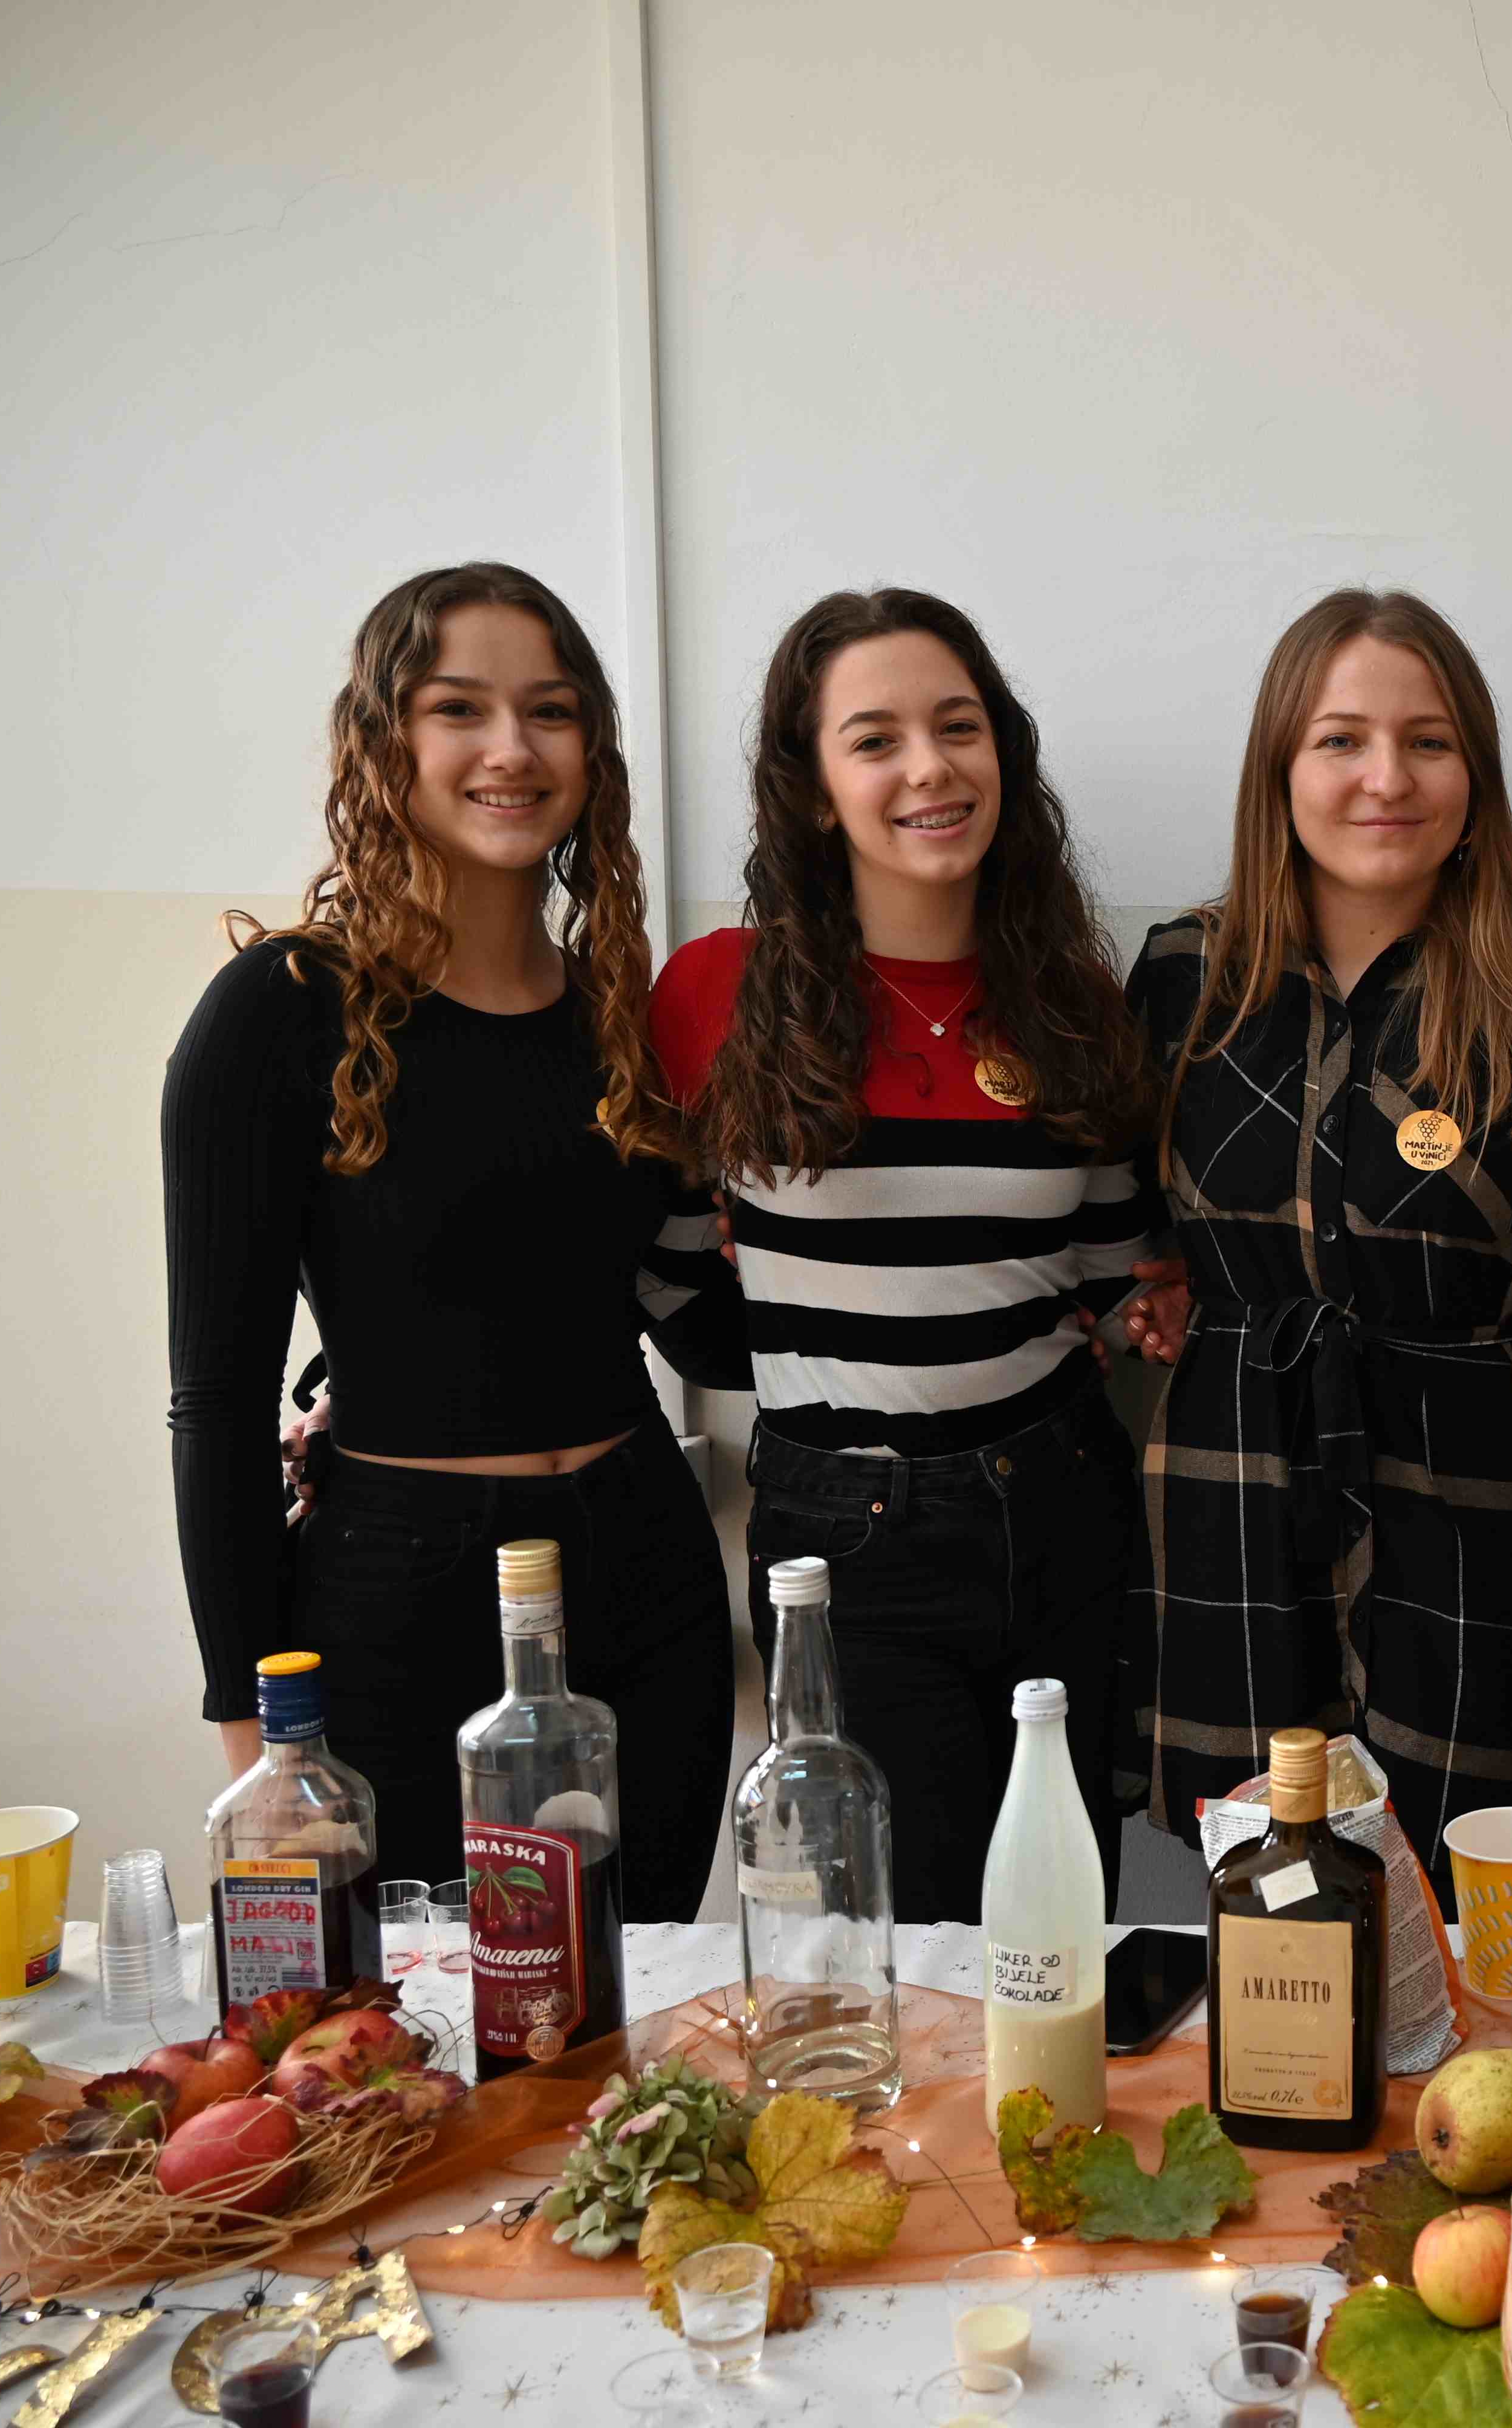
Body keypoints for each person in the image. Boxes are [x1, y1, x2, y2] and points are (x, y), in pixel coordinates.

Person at [163, 562, 746, 1919]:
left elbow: (703, 1328)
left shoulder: (625, 1022)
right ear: (387, 743)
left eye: (550, 710)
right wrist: (257, 1753)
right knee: (432, 2025)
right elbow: (218, 1402)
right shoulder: (278, 1014)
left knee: (629, 2004)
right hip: (395, 1599)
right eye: (459, 708)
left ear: (592, 750)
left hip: (644, 1578)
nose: (510, 748)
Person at [1117, 589, 1512, 1858]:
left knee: (1482, 1895)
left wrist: (1464, 1385)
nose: (1387, 779)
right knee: (1259, 1893)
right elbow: (1134, 1217)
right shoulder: (1185, 980)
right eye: (1341, 741)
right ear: (1278, 769)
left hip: (1472, 1502)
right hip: (1232, 1485)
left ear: (1476, 773)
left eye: (1428, 741)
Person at [651, 589, 1153, 1925]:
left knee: (1062, 1913)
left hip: (1064, 1504)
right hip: (848, 1538)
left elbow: (1112, 1272)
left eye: (958, 727)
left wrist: (1155, 1306)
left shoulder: (1073, 1002)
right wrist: (800, 1358)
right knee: (903, 1936)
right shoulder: (713, 995)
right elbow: (660, 1266)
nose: (929, 768)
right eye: (874, 740)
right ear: (813, 789)